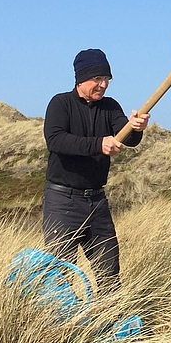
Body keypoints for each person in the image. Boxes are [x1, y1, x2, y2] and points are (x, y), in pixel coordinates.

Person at [43, 48, 150, 290]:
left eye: (107, 80)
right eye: (97, 79)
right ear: (81, 78)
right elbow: (56, 140)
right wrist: (98, 144)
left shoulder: (110, 106)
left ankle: (107, 324)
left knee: (109, 273)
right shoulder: (60, 103)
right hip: (63, 201)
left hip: (97, 202)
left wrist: (137, 127)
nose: (103, 85)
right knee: (61, 274)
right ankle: (61, 326)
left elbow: (128, 138)